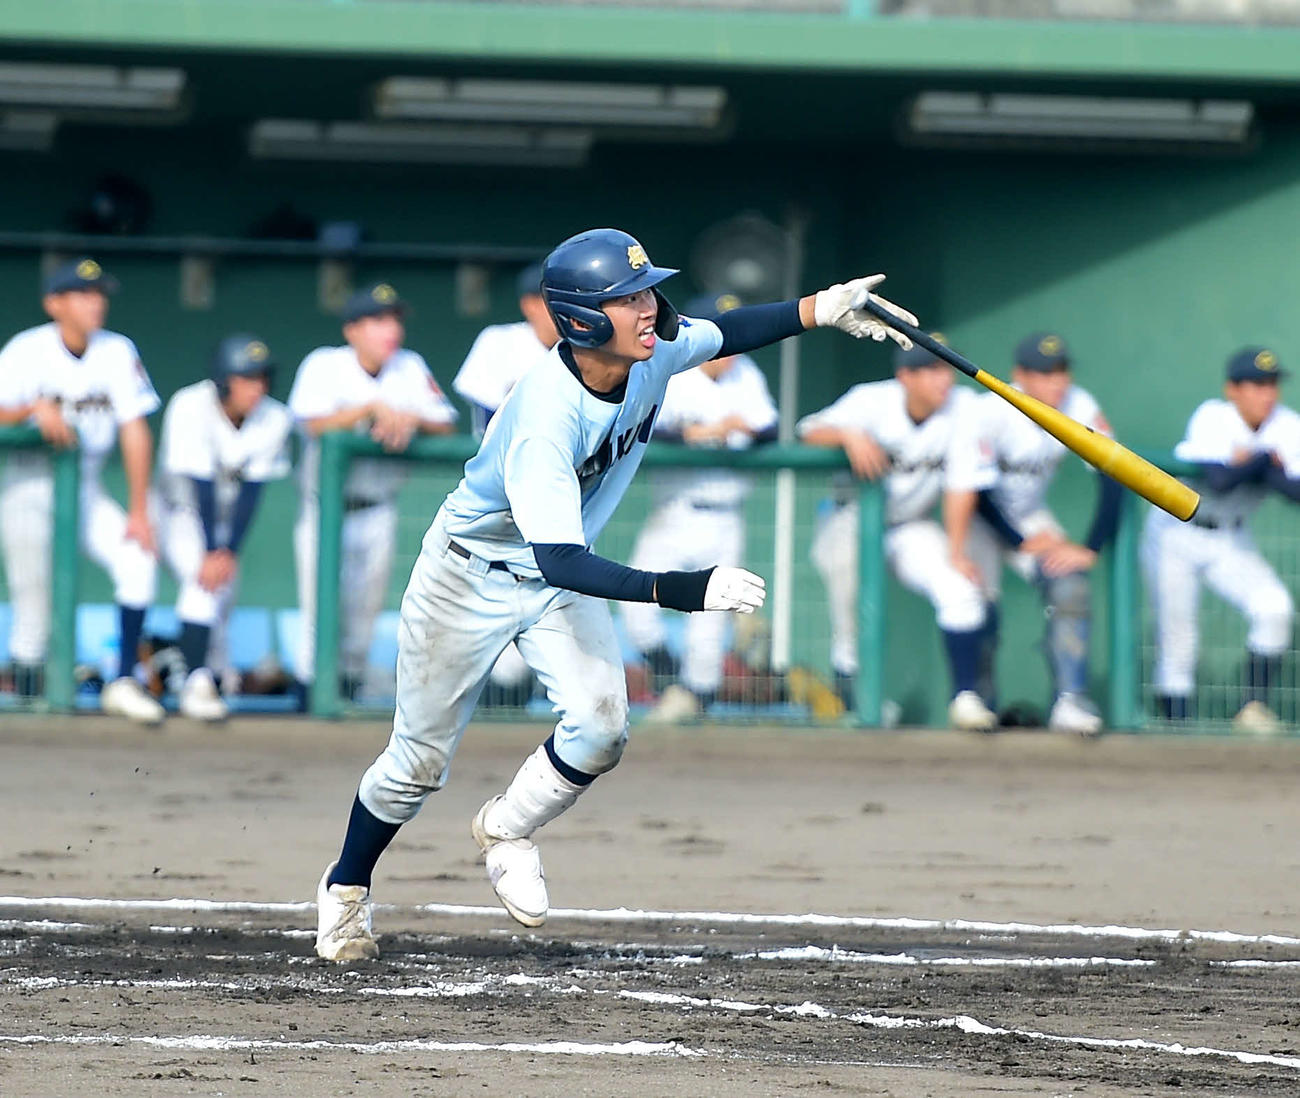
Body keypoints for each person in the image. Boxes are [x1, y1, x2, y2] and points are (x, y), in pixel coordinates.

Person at [313, 227, 916, 960]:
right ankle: (347, 887)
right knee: (416, 766)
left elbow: (727, 332)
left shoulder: (653, 352)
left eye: (645, 291)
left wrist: (822, 307)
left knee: (602, 731)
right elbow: (563, 560)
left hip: (552, 582)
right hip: (469, 577)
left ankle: (507, 828)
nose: (647, 307)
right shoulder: (545, 414)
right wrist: (680, 589)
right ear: (581, 320)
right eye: (627, 299)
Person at [799, 336, 998, 732]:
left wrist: (957, 551)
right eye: (932, 369)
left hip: (910, 524)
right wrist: (849, 435)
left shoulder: (965, 409)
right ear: (905, 376)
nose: (944, 378)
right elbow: (807, 430)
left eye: (947, 368)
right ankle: (855, 700)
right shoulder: (872, 400)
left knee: (960, 588)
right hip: (852, 518)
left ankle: (966, 698)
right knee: (848, 608)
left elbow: (961, 486)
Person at [0, 258, 164, 723]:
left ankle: (124, 679)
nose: (96, 303)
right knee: (34, 606)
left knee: (138, 560)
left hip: (86, 487)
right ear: (54, 303)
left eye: (99, 294)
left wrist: (139, 510)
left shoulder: (117, 350)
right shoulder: (26, 350)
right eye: (83, 294)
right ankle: (30, 708)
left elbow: (134, 429)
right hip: (30, 486)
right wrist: (30, 410)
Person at [288, 282, 458, 706]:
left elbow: (446, 425)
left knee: (364, 615)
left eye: (395, 320)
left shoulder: (410, 367)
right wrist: (367, 410)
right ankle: (310, 696)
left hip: (378, 508)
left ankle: (349, 689)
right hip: (325, 509)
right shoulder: (324, 364)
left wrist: (410, 418)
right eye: (379, 320)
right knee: (318, 609)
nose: (391, 330)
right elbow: (310, 422)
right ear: (352, 329)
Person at [622, 291, 779, 724]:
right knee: (636, 610)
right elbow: (644, 425)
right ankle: (670, 678)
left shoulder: (746, 373)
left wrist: (738, 429)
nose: (731, 344)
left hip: (726, 515)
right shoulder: (672, 369)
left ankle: (697, 705)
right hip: (675, 510)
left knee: (710, 625)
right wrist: (693, 434)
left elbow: (770, 427)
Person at [956, 332, 1120, 735]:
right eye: (1045, 373)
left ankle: (1070, 701)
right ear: (1021, 375)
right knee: (977, 603)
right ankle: (980, 703)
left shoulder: (1079, 405)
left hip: (1029, 516)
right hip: (982, 519)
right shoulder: (992, 409)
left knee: (1071, 585)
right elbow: (977, 494)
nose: (1057, 382)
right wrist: (1019, 541)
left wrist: (1090, 547)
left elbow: (1113, 471)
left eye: (1061, 371)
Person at [1141, 346, 1300, 734]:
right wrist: (1266, 462)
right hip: (1176, 533)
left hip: (1231, 537)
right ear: (1233, 389)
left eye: (1272, 384)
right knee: (1179, 640)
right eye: (1256, 384)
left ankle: (1253, 708)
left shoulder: (1288, 425)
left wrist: (1252, 462)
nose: (1267, 393)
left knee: (1274, 608)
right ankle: (1176, 732)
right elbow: (1220, 480)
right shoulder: (1213, 416)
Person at [154, 334, 293, 721]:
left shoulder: (275, 418)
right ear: (222, 380)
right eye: (246, 378)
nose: (257, 388)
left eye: (261, 378)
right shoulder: (190, 404)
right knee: (204, 584)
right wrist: (214, 552)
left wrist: (227, 550)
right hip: (176, 511)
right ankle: (194, 681)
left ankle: (209, 676)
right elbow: (200, 485)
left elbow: (252, 492)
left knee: (221, 601)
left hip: (226, 520)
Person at [451, 261, 559, 708]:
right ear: (530, 305)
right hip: (499, 499)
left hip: (556, 501)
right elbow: (484, 416)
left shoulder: (583, 348)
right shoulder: (500, 342)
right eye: (552, 301)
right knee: (483, 607)